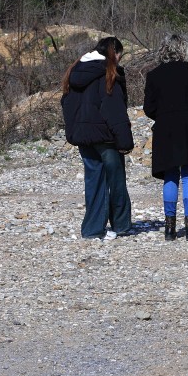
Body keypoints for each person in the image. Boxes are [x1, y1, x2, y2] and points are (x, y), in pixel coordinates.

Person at [143, 34, 188, 243]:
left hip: (165, 128)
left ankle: (169, 228)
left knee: (170, 175)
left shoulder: (153, 75)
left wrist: (164, 114)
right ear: (185, 49)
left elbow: (149, 108)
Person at [61, 36, 134, 240]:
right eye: (120, 55)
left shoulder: (75, 72)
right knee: (117, 181)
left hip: (84, 137)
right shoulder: (109, 73)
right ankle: (121, 225)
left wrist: (74, 131)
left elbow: (67, 104)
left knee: (93, 181)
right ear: (115, 53)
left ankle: (92, 229)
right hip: (106, 138)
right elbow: (115, 110)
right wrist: (125, 142)